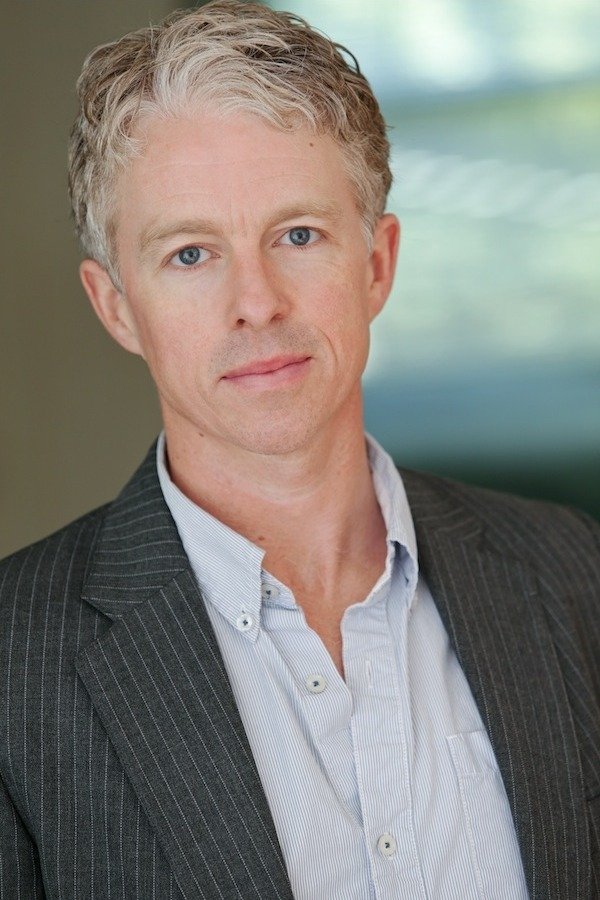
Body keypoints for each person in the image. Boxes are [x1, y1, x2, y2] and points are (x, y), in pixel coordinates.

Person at [1, 2, 598, 897]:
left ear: (377, 264)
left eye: (298, 235)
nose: (257, 302)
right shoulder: (12, 662)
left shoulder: (575, 575)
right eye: (191, 254)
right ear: (116, 306)